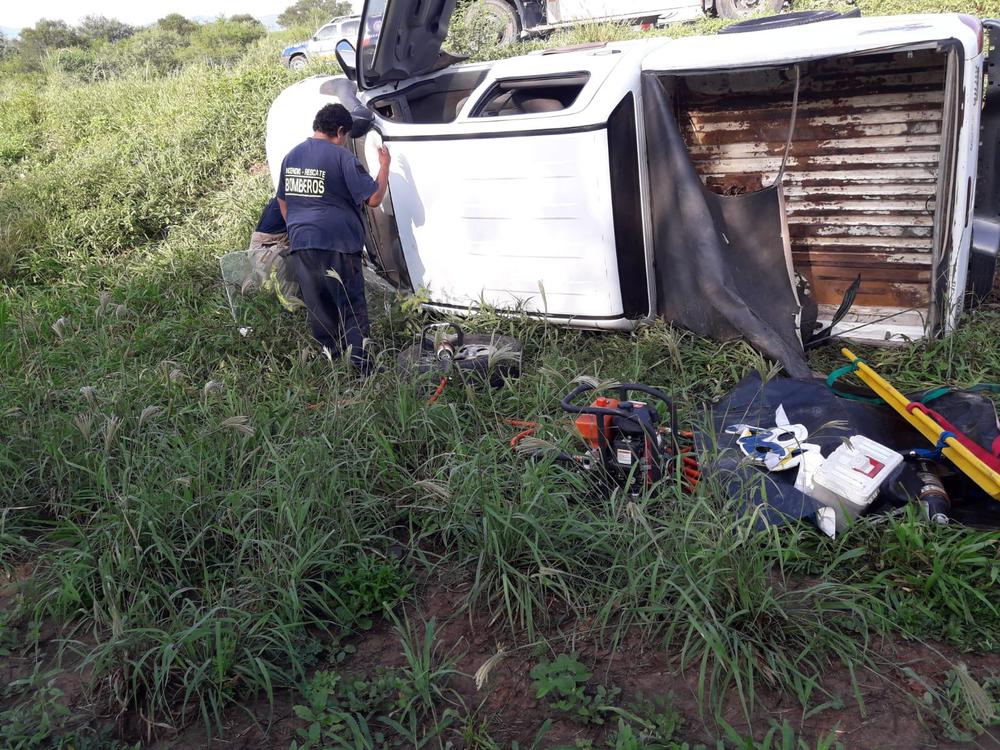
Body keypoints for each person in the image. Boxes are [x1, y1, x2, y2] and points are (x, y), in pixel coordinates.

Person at [276, 103, 390, 374]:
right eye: (346, 135)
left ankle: (333, 363)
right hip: (337, 245)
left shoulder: (291, 156)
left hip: (302, 244)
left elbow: (283, 201)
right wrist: (384, 167)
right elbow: (374, 198)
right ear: (340, 131)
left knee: (320, 308)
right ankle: (362, 370)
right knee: (351, 306)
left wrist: (296, 227)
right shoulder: (342, 158)